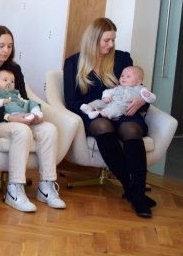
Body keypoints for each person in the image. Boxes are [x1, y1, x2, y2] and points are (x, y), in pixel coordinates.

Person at [0, 25, 66, 212]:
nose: (6, 50)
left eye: (10, 46)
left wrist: (32, 114)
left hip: (18, 116)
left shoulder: (14, 68)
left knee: (50, 129)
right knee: (21, 131)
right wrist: (9, 116)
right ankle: (14, 189)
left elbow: (23, 98)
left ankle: (46, 186)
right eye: (1, 46)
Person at [63, 17, 152, 217]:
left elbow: (139, 89)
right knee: (103, 125)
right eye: (106, 40)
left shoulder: (123, 59)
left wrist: (141, 101)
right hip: (94, 113)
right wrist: (97, 105)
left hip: (123, 111)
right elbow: (71, 101)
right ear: (93, 40)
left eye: (113, 40)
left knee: (131, 129)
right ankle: (133, 192)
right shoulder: (73, 63)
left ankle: (136, 191)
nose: (111, 44)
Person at [81, 65, 156, 120]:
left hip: (123, 107)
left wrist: (148, 96)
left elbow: (152, 98)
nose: (123, 78)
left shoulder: (140, 89)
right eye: (122, 75)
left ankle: (99, 113)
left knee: (116, 109)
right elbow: (108, 91)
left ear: (138, 82)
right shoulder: (118, 87)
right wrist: (106, 97)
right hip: (110, 102)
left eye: (128, 76)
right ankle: (89, 107)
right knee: (99, 102)